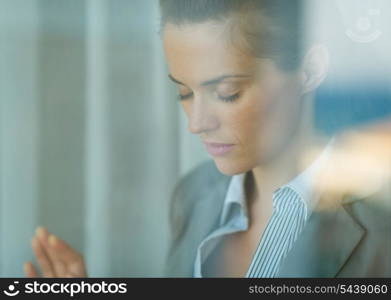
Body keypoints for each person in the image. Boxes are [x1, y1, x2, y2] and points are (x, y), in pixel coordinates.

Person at [24, 0, 391, 278]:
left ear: (309, 71)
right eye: (184, 93)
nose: (196, 124)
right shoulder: (193, 195)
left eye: (227, 92)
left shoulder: (379, 224)